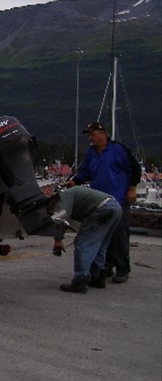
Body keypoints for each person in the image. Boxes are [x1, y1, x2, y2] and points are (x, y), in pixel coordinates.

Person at [68, 122, 141, 283]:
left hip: (119, 199)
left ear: (102, 134)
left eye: (92, 134)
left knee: (119, 235)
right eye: (89, 135)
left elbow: (135, 168)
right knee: (101, 235)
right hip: (100, 202)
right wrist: (75, 181)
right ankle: (105, 266)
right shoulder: (92, 153)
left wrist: (132, 188)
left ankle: (122, 268)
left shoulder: (117, 149)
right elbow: (85, 171)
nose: (90, 138)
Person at [52, 186, 122, 293]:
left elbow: (60, 218)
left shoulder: (63, 197)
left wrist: (58, 240)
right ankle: (98, 277)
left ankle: (80, 281)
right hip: (115, 207)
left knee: (83, 244)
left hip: (102, 209)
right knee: (100, 244)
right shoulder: (73, 194)